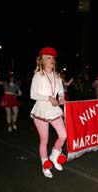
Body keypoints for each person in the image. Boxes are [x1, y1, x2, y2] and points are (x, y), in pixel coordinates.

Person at [30, 47, 67, 178]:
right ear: (42, 61)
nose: (51, 60)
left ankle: (55, 154)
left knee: (63, 135)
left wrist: (61, 97)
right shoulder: (38, 75)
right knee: (44, 140)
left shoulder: (57, 76)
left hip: (54, 109)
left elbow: (61, 91)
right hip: (41, 109)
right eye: (48, 58)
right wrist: (48, 98)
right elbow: (32, 94)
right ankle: (45, 164)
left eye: (53, 58)